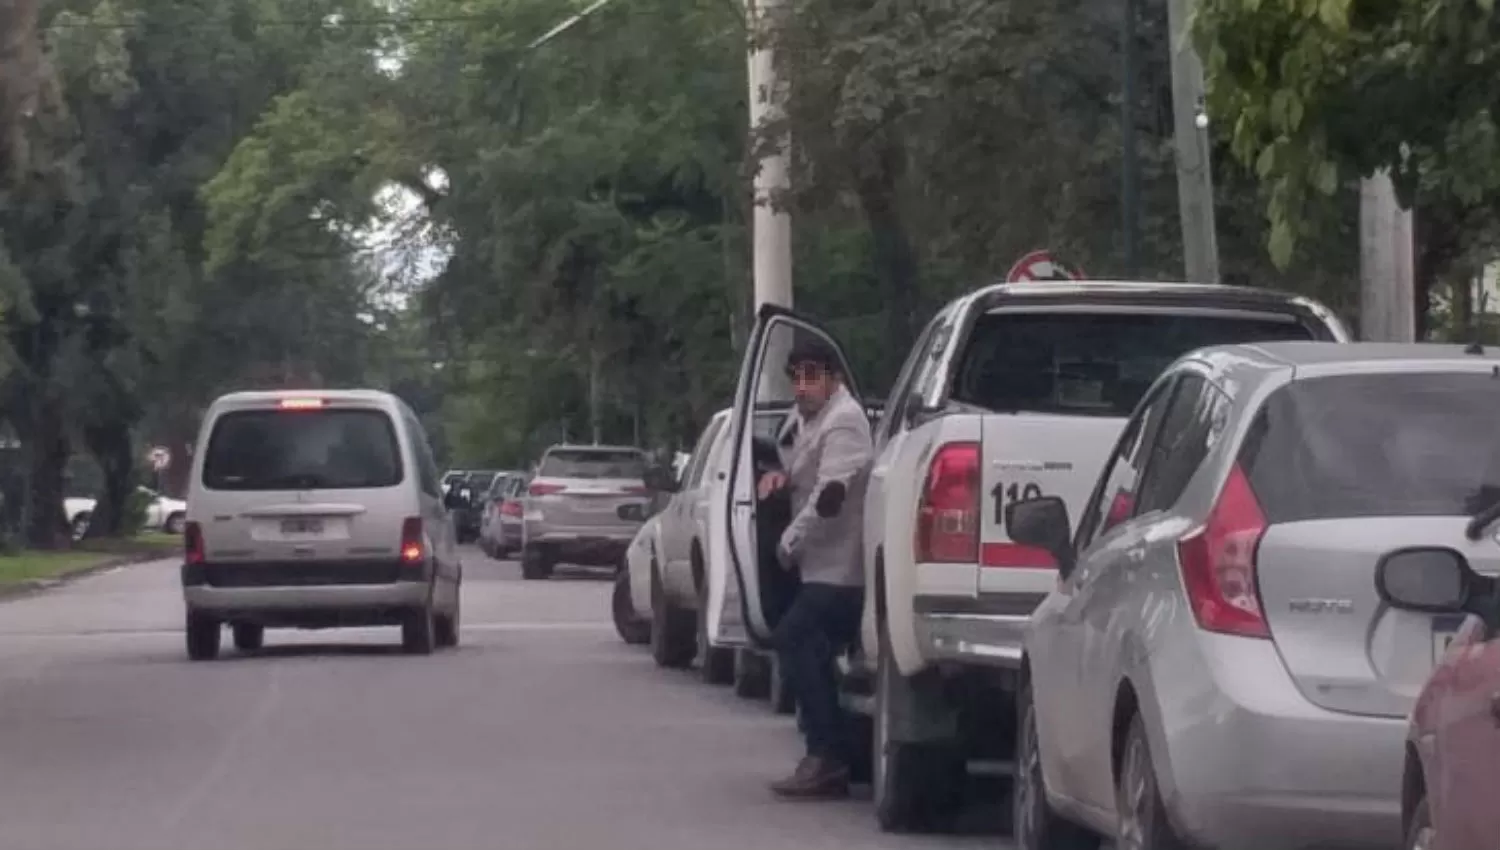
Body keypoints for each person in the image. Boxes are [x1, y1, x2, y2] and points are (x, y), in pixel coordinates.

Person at [760, 336, 874, 800]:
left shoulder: (843, 422)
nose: (802, 387)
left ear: (834, 379)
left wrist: (788, 540)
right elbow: (810, 474)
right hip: (823, 567)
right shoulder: (815, 421)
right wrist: (784, 478)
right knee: (812, 650)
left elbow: (831, 496)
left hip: (840, 571)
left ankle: (827, 756)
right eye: (797, 378)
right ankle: (835, 747)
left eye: (812, 377)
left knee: (794, 637)